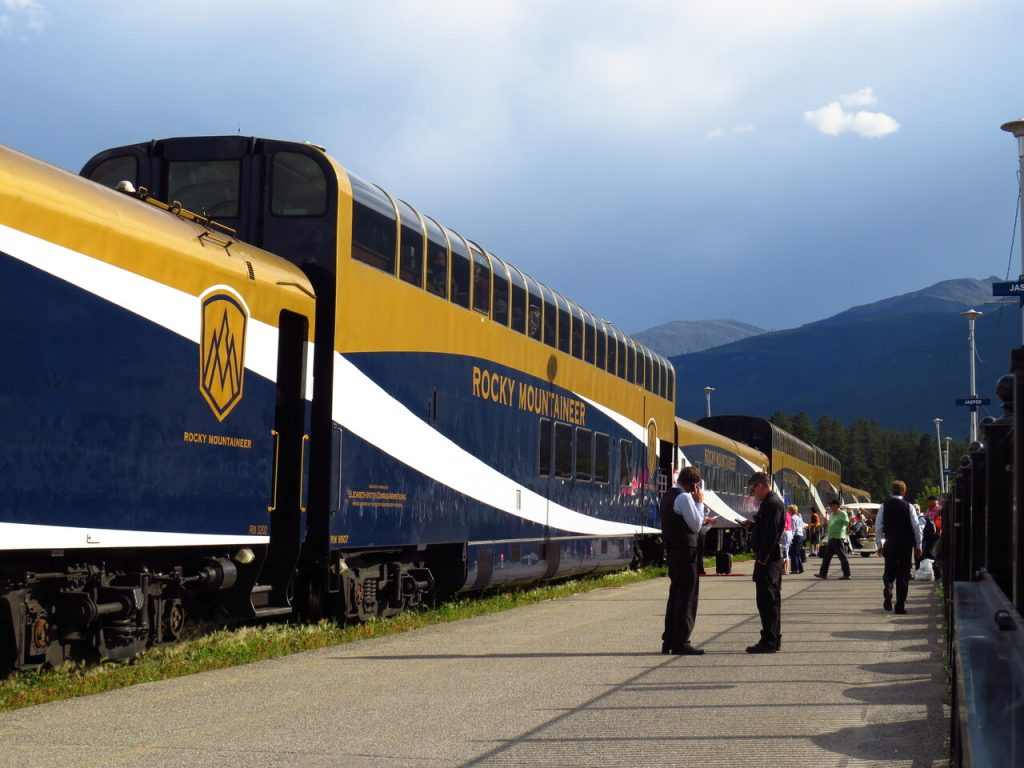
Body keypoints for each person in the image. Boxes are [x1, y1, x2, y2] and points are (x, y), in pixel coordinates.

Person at [660, 466, 716, 655]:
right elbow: (695, 524)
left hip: (674, 551)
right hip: (686, 553)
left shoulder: (668, 495)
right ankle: (681, 641)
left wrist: (702, 522)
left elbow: (690, 524)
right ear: (694, 486)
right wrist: (700, 504)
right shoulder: (684, 497)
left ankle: (669, 639)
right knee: (687, 596)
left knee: (675, 596)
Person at [744, 471, 785, 653]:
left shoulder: (771, 504)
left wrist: (762, 558)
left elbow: (771, 534)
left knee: (767, 600)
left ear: (761, 485)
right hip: (770, 558)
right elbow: (767, 528)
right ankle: (773, 638)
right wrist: (753, 527)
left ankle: (769, 639)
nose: (753, 494)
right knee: (770, 600)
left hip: (768, 560)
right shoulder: (770, 503)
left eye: (753, 490)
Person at [876, 480, 923, 614]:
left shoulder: (884, 506)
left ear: (892, 491)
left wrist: (879, 545)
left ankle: (889, 589)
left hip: (890, 543)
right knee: (903, 574)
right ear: (903, 491)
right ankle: (900, 606)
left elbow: (878, 527)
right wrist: (918, 545)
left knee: (889, 570)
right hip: (906, 545)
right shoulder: (909, 507)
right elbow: (916, 527)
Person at [815, 499, 851, 580]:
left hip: (838, 538)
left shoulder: (843, 514)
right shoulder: (832, 514)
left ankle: (847, 574)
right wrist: (822, 525)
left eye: (832, 505)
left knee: (842, 557)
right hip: (831, 538)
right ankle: (823, 574)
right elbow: (830, 523)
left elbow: (847, 523)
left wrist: (847, 530)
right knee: (826, 557)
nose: (830, 507)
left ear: (836, 506)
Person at [789, 505, 806, 574]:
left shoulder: (792, 518)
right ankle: (801, 568)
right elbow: (802, 525)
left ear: (791, 510)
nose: (788, 511)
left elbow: (793, 528)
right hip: (800, 535)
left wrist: (790, 537)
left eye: (789, 510)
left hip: (795, 536)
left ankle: (795, 569)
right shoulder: (798, 517)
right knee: (797, 553)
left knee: (793, 553)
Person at [780, 506, 793, 575]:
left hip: (785, 533)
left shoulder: (783, 514)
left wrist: (780, 534)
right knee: (787, 552)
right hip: (789, 532)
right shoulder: (788, 515)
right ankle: (787, 570)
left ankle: (784, 570)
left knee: (783, 552)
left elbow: (784, 525)